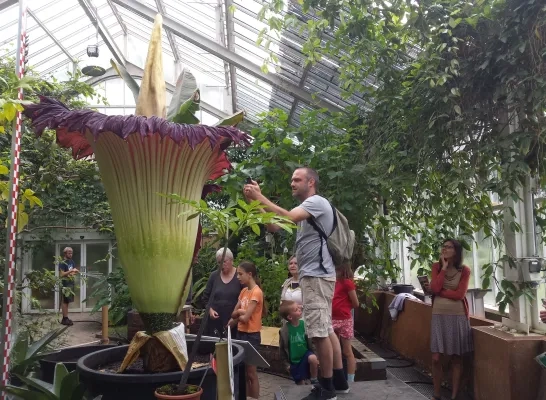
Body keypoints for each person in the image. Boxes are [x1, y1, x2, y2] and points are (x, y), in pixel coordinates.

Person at [244, 167, 349, 400]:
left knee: (319, 333)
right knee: (326, 328)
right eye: (291, 179)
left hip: (316, 276)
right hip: (316, 276)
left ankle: (327, 387)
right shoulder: (305, 212)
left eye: (296, 179)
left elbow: (288, 217)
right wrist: (256, 203)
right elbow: (274, 226)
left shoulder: (317, 203)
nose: (292, 183)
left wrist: (260, 196)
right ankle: (339, 381)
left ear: (311, 182)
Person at [426, 239, 473, 400]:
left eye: (449, 247)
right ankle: (437, 394)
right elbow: (435, 287)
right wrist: (444, 268)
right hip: (438, 315)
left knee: (456, 357)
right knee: (436, 357)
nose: (445, 249)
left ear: (456, 251)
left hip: (458, 317)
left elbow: (460, 295)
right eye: (443, 246)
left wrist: (440, 293)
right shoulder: (437, 267)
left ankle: (454, 396)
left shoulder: (465, 270)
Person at [228, 261, 266, 400]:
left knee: (251, 373)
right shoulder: (244, 291)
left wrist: (239, 313)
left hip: (252, 336)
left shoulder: (256, 292)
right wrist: (240, 312)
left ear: (249, 275)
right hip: (240, 334)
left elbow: (245, 318)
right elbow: (234, 315)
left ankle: (254, 398)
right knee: (242, 372)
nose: (238, 277)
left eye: (240, 274)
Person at [201, 247, 242, 338]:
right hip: (214, 324)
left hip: (233, 323)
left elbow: (245, 300)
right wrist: (210, 310)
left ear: (231, 260)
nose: (221, 265)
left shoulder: (239, 276)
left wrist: (235, 320)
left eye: (224, 262)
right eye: (219, 262)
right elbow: (205, 298)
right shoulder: (214, 276)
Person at [279, 300, 319, 385]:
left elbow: (312, 342)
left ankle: (314, 379)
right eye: (296, 310)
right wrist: (287, 365)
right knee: (301, 385)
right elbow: (282, 349)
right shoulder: (284, 331)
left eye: (298, 307)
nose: (300, 309)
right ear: (290, 317)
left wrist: (316, 355)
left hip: (305, 355)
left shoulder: (304, 325)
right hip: (295, 361)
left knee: (313, 358)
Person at [332, 263, 359, 384]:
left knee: (347, 351)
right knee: (334, 349)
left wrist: (344, 309)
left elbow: (356, 303)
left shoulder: (347, 282)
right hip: (332, 319)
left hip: (345, 320)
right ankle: (336, 378)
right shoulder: (333, 282)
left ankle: (351, 380)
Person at [59, 247, 79, 326]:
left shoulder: (72, 261)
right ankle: (64, 318)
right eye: (69, 253)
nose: (71, 254)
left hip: (71, 283)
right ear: (65, 253)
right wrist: (72, 271)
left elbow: (72, 273)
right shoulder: (63, 262)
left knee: (68, 302)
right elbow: (62, 274)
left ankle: (66, 317)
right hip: (65, 284)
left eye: (71, 253)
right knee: (65, 301)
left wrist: (75, 272)